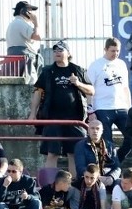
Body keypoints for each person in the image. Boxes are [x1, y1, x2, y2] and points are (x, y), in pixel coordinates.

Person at [29, 41, 93, 175]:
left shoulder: (78, 70)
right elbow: (38, 92)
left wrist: (78, 83)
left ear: (68, 53)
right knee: (52, 154)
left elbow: (91, 90)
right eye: (55, 50)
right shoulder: (47, 70)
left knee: (74, 154)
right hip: (52, 119)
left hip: (75, 119)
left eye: (60, 50)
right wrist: (32, 114)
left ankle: (75, 185)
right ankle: (49, 187)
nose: (57, 52)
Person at [87, 38, 132, 156]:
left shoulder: (121, 64)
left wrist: (129, 107)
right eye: (112, 51)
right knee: (107, 142)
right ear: (105, 49)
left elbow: (125, 87)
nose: (115, 54)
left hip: (121, 107)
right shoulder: (95, 65)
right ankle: (112, 166)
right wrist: (90, 110)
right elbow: (89, 89)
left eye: (117, 51)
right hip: (102, 107)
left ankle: (117, 162)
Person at [74, 120, 122, 191]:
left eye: (97, 128)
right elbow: (80, 167)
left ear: (102, 131)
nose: (95, 131)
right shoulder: (80, 145)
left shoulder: (110, 145)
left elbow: (117, 167)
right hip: (89, 178)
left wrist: (112, 177)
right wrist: (96, 177)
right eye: (92, 128)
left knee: (124, 184)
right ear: (88, 130)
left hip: (108, 178)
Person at [6, 0, 42, 84]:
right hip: (25, 59)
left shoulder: (13, 23)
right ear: (24, 11)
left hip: (14, 58)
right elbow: (37, 36)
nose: (32, 13)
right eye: (30, 11)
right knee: (31, 85)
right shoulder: (21, 23)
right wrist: (36, 23)